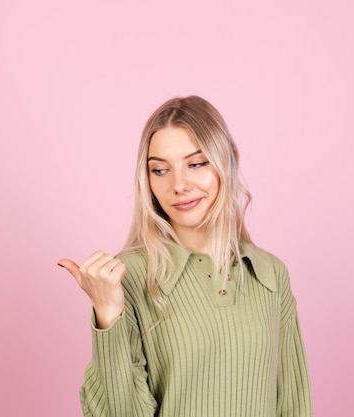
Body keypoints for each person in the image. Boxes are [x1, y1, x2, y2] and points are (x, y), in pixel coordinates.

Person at [58, 96, 312, 417]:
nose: (179, 185)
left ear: (229, 160)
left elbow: (294, 404)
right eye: (160, 170)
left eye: (196, 164)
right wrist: (108, 313)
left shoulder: (270, 274)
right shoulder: (130, 275)